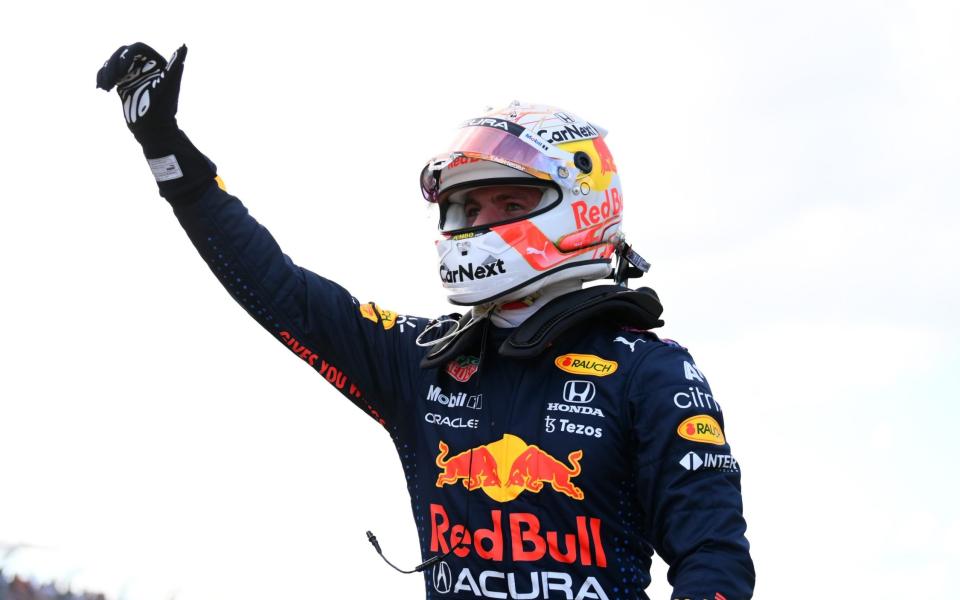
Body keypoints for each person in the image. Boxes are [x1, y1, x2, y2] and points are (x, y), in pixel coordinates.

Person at [96, 43, 755, 600]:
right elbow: (278, 289)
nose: (478, 222)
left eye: (508, 200)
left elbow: (715, 562)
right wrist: (165, 149)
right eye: (467, 206)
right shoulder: (424, 359)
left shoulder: (652, 371)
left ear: (579, 205)